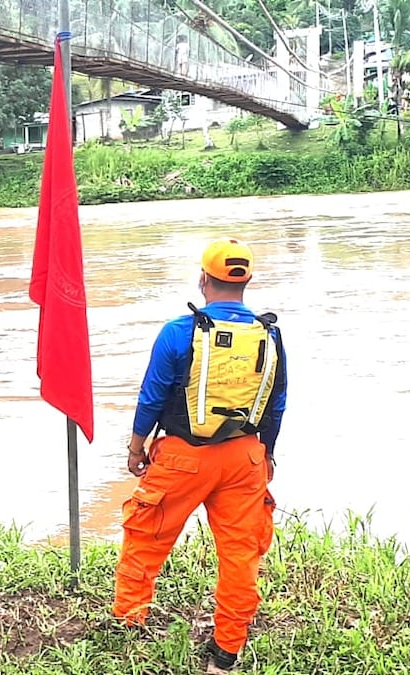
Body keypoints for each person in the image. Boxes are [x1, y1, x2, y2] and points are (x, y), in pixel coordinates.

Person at [113, 238, 287, 672]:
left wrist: (137, 447)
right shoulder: (270, 334)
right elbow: (276, 402)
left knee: (146, 537)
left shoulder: (178, 331)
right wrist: (268, 455)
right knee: (240, 554)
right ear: (245, 282)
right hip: (246, 456)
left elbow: (151, 398)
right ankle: (225, 652)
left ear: (203, 279)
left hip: (182, 457)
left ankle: (130, 624)